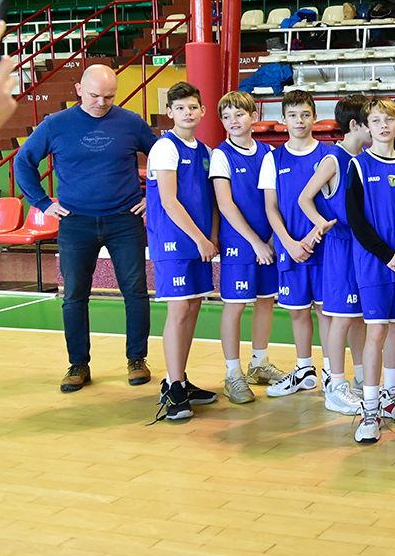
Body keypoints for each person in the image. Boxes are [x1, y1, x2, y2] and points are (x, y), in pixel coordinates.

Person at [14, 63, 158, 392]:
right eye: (94, 95)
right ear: (79, 89)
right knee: (74, 296)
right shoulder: (55, 124)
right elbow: (23, 162)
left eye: (109, 97)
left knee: (136, 292)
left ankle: (137, 359)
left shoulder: (132, 123)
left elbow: (165, 158)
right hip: (75, 222)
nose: (101, 103)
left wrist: (154, 197)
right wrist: (42, 203)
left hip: (124, 219)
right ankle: (78, 364)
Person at [343, 98, 395, 444]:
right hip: (375, 264)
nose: (383, 126)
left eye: (389, 120)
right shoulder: (358, 166)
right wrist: (388, 255)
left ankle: (392, 397)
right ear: (367, 127)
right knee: (376, 331)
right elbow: (356, 220)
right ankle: (370, 408)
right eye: (376, 121)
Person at [145, 82, 219, 421]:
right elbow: (169, 201)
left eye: (192, 107)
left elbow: (210, 201)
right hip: (173, 241)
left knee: (192, 307)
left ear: (202, 110)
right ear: (169, 112)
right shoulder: (165, 147)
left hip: (198, 241)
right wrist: (201, 239)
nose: (187, 113)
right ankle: (173, 387)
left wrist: (211, 236)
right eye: (180, 108)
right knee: (179, 310)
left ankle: (180, 379)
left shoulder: (205, 151)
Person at [298, 95, 371, 417]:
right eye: (370, 122)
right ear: (355, 125)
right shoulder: (334, 159)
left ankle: (362, 377)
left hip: (363, 245)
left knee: (360, 317)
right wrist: (320, 223)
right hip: (341, 246)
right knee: (341, 316)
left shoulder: (364, 157)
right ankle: (335, 384)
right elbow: (304, 198)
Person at [210, 91, 285, 404]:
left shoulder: (269, 153)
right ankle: (232, 373)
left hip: (267, 242)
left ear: (254, 116)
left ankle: (259, 363)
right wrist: (255, 242)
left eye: (239, 114)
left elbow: (277, 200)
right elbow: (225, 204)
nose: (232, 121)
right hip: (239, 245)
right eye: (226, 116)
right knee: (236, 305)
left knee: (266, 301)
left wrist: (271, 240)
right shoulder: (221, 155)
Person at [260, 89, 331, 398]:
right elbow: (271, 208)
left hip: (326, 249)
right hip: (291, 250)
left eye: (304, 114)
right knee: (298, 311)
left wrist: (316, 233)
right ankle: (304, 370)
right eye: (292, 115)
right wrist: (288, 243)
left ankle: (332, 373)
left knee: (327, 312)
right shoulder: (273, 159)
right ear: (283, 120)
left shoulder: (329, 156)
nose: (299, 121)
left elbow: (336, 204)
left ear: (314, 117)